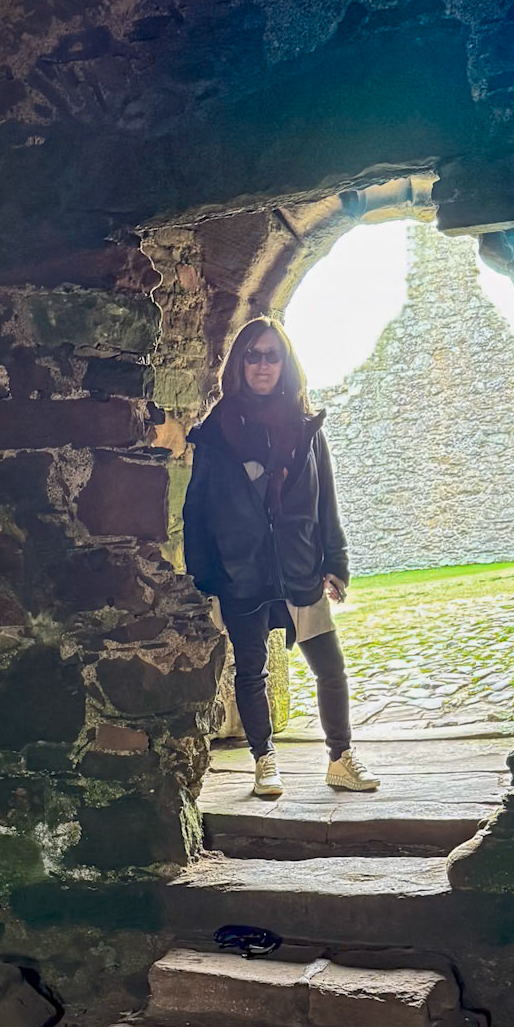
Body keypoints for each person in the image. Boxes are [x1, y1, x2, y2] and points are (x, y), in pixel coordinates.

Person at [181, 315, 379, 798]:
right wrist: (207, 583)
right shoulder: (215, 433)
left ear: (285, 363)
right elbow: (197, 512)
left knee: (329, 667)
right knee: (251, 671)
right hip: (241, 572)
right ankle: (264, 760)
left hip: (300, 567)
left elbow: (326, 501)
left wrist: (337, 563)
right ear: (239, 364)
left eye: (273, 355)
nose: (263, 365)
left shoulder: (306, 427)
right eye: (253, 355)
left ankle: (340, 758)